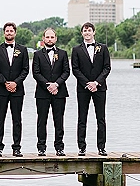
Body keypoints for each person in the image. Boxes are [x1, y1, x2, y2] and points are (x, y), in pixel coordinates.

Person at [71, 22, 111, 156]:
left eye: (89, 30)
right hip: (83, 88)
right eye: (85, 31)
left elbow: (107, 68)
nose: (87, 33)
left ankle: (102, 147)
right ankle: (82, 147)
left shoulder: (103, 48)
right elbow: (75, 69)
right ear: (81, 33)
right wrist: (88, 83)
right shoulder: (76, 50)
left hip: (100, 88)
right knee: (82, 118)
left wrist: (96, 83)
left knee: (101, 118)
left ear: (94, 32)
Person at [0, 22, 30, 157]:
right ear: (4, 33)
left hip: (17, 90)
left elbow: (26, 69)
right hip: (1, 90)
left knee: (17, 119)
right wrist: (5, 82)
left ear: (15, 33)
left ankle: (17, 147)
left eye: (11, 31)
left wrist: (15, 83)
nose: (9, 33)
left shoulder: (23, 50)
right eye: (7, 31)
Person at [32, 28, 70, 156]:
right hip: (42, 92)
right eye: (47, 37)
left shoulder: (63, 53)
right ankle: (41, 147)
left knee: (59, 121)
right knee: (42, 120)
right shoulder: (37, 54)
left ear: (56, 39)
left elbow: (66, 72)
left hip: (59, 92)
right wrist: (47, 85)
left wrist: (56, 84)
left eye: (52, 37)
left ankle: (59, 147)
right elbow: (36, 73)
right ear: (43, 39)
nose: (49, 39)